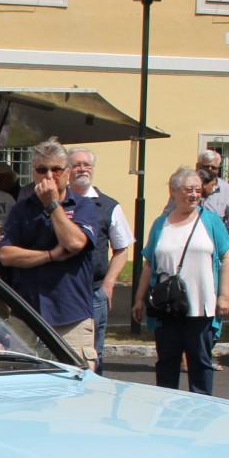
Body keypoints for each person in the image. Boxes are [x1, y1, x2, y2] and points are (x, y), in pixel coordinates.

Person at [0, 138, 98, 368]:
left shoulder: (84, 206)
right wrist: (50, 255)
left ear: (68, 173)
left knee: (76, 388)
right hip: (27, 314)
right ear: (33, 172)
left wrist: (53, 205)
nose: (49, 176)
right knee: (23, 385)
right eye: (42, 170)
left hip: (70, 315)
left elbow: (74, 243)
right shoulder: (21, 208)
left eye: (56, 169)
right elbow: (7, 255)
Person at [132, 168, 229, 394]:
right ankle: (166, 411)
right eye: (189, 189)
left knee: (201, 362)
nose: (195, 194)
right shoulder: (161, 224)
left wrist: (224, 295)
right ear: (174, 191)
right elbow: (149, 263)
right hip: (167, 308)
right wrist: (139, 298)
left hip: (202, 306)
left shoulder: (211, 221)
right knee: (167, 363)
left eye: (198, 189)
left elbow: (226, 256)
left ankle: (202, 412)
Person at [67, 148, 134, 374]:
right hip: (62, 290)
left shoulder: (109, 206)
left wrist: (108, 285)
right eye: (77, 164)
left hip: (94, 291)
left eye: (87, 165)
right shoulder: (58, 202)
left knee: (94, 352)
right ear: (67, 169)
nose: (82, 169)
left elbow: (122, 249)